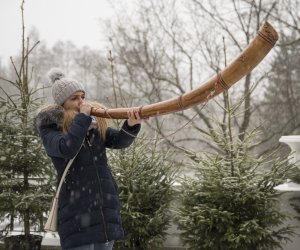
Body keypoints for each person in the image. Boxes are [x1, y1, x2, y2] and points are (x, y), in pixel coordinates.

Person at [35, 68, 143, 250]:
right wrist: (83, 119)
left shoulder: (91, 126)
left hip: (103, 209)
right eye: (74, 98)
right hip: (77, 212)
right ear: (62, 103)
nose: (81, 102)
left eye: (82, 96)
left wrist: (130, 126)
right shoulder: (50, 128)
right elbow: (67, 147)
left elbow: (119, 141)